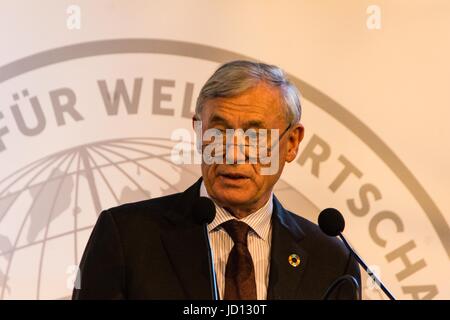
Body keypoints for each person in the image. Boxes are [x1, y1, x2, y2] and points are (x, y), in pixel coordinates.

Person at [72, 60, 361, 300]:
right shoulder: (127, 238)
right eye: (218, 132)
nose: (233, 154)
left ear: (292, 143)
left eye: (255, 136)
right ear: (198, 133)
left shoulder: (331, 259)